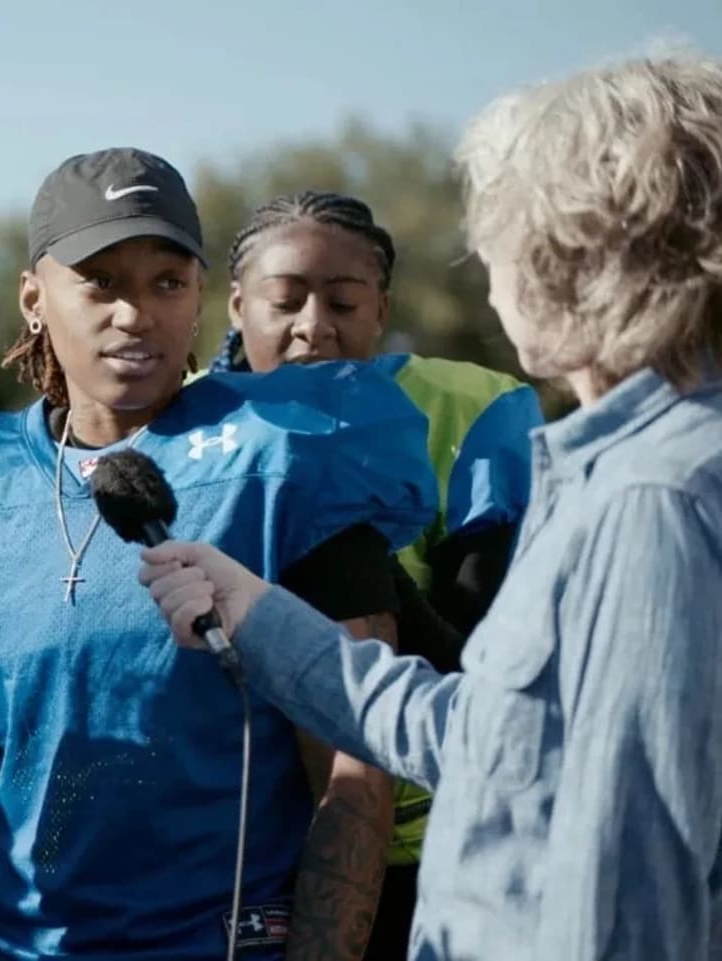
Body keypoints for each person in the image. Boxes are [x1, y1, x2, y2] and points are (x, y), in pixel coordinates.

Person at [141, 53, 722, 961]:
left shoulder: (652, 500)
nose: (487, 275)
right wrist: (261, 617)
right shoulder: (629, 471)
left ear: (567, 256)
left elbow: (628, 886)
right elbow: (492, 739)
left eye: (492, 240)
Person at [0, 147, 438, 961]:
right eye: (100, 282)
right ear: (35, 299)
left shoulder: (290, 452)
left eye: (165, 283)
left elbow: (355, 771)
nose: (135, 313)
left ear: (201, 298)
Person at [209, 190, 544, 956]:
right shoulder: (186, 423)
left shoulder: (472, 411)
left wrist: (357, 566)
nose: (314, 326)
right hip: (240, 844)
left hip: (437, 846)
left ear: (383, 308)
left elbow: (496, 669)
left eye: (345, 301)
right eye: (285, 300)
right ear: (235, 305)